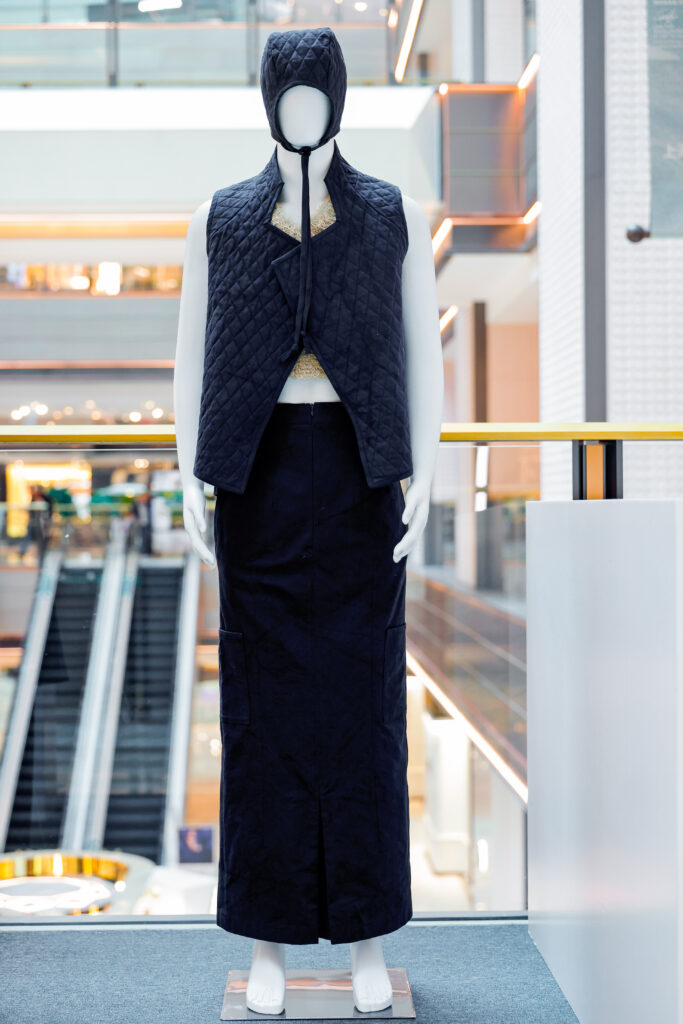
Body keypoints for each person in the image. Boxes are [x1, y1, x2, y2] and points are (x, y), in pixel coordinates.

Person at [174, 26, 443, 1015]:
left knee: (367, 711)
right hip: (257, 480)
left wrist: (431, 473)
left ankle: (368, 935)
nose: (300, 118)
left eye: (313, 100)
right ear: (265, 105)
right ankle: (270, 943)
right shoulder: (218, 218)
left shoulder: (389, 213)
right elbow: (190, 354)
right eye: (284, 102)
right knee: (260, 715)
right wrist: (187, 475)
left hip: (361, 476)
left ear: (337, 100)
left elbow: (420, 350)